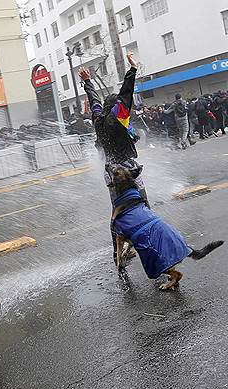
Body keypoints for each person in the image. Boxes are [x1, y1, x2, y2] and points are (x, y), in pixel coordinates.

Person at [79, 52, 148, 265]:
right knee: (143, 205)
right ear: (118, 108)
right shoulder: (118, 118)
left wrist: (88, 82)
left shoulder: (98, 119)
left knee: (117, 211)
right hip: (128, 170)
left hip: (111, 174)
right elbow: (126, 94)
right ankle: (144, 245)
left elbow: (94, 101)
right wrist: (133, 70)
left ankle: (118, 252)